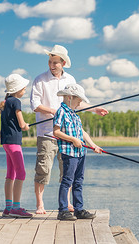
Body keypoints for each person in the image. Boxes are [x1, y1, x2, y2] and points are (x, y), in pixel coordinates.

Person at [30, 44, 108, 214]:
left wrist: (95, 109)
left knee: (68, 171)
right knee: (43, 169)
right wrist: (54, 111)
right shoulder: (40, 79)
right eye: (50, 62)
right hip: (47, 132)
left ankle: (67, 204)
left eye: (55, 62)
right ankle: (40, 204)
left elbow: (77, 101)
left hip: (69, 136)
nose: (52, 65)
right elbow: (35, 105)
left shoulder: (70, 80)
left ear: (63, 63)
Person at [53, 84, 102, 220]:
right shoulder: (61, 112)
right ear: (69, 97)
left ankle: (78, 209)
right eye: (78, 100)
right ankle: (63, 211)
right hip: (69, 153)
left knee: (79, 181)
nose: (80, 102)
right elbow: (56, 132)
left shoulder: (74, 114)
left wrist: (93, 145)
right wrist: (73, 139)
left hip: (81, 153)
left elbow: (83, 132)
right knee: (67, 180)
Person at [0, 74, 32, 218]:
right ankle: (16, 207)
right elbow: (21, 124)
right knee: (21, 173)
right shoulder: (16, 102)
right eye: (23, 87)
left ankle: (8, 207)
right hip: (14, 142)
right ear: (17, 89)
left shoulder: (5, 102)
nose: (25, 89)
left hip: (6, 143)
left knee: (10, 175)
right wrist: (26, 126)